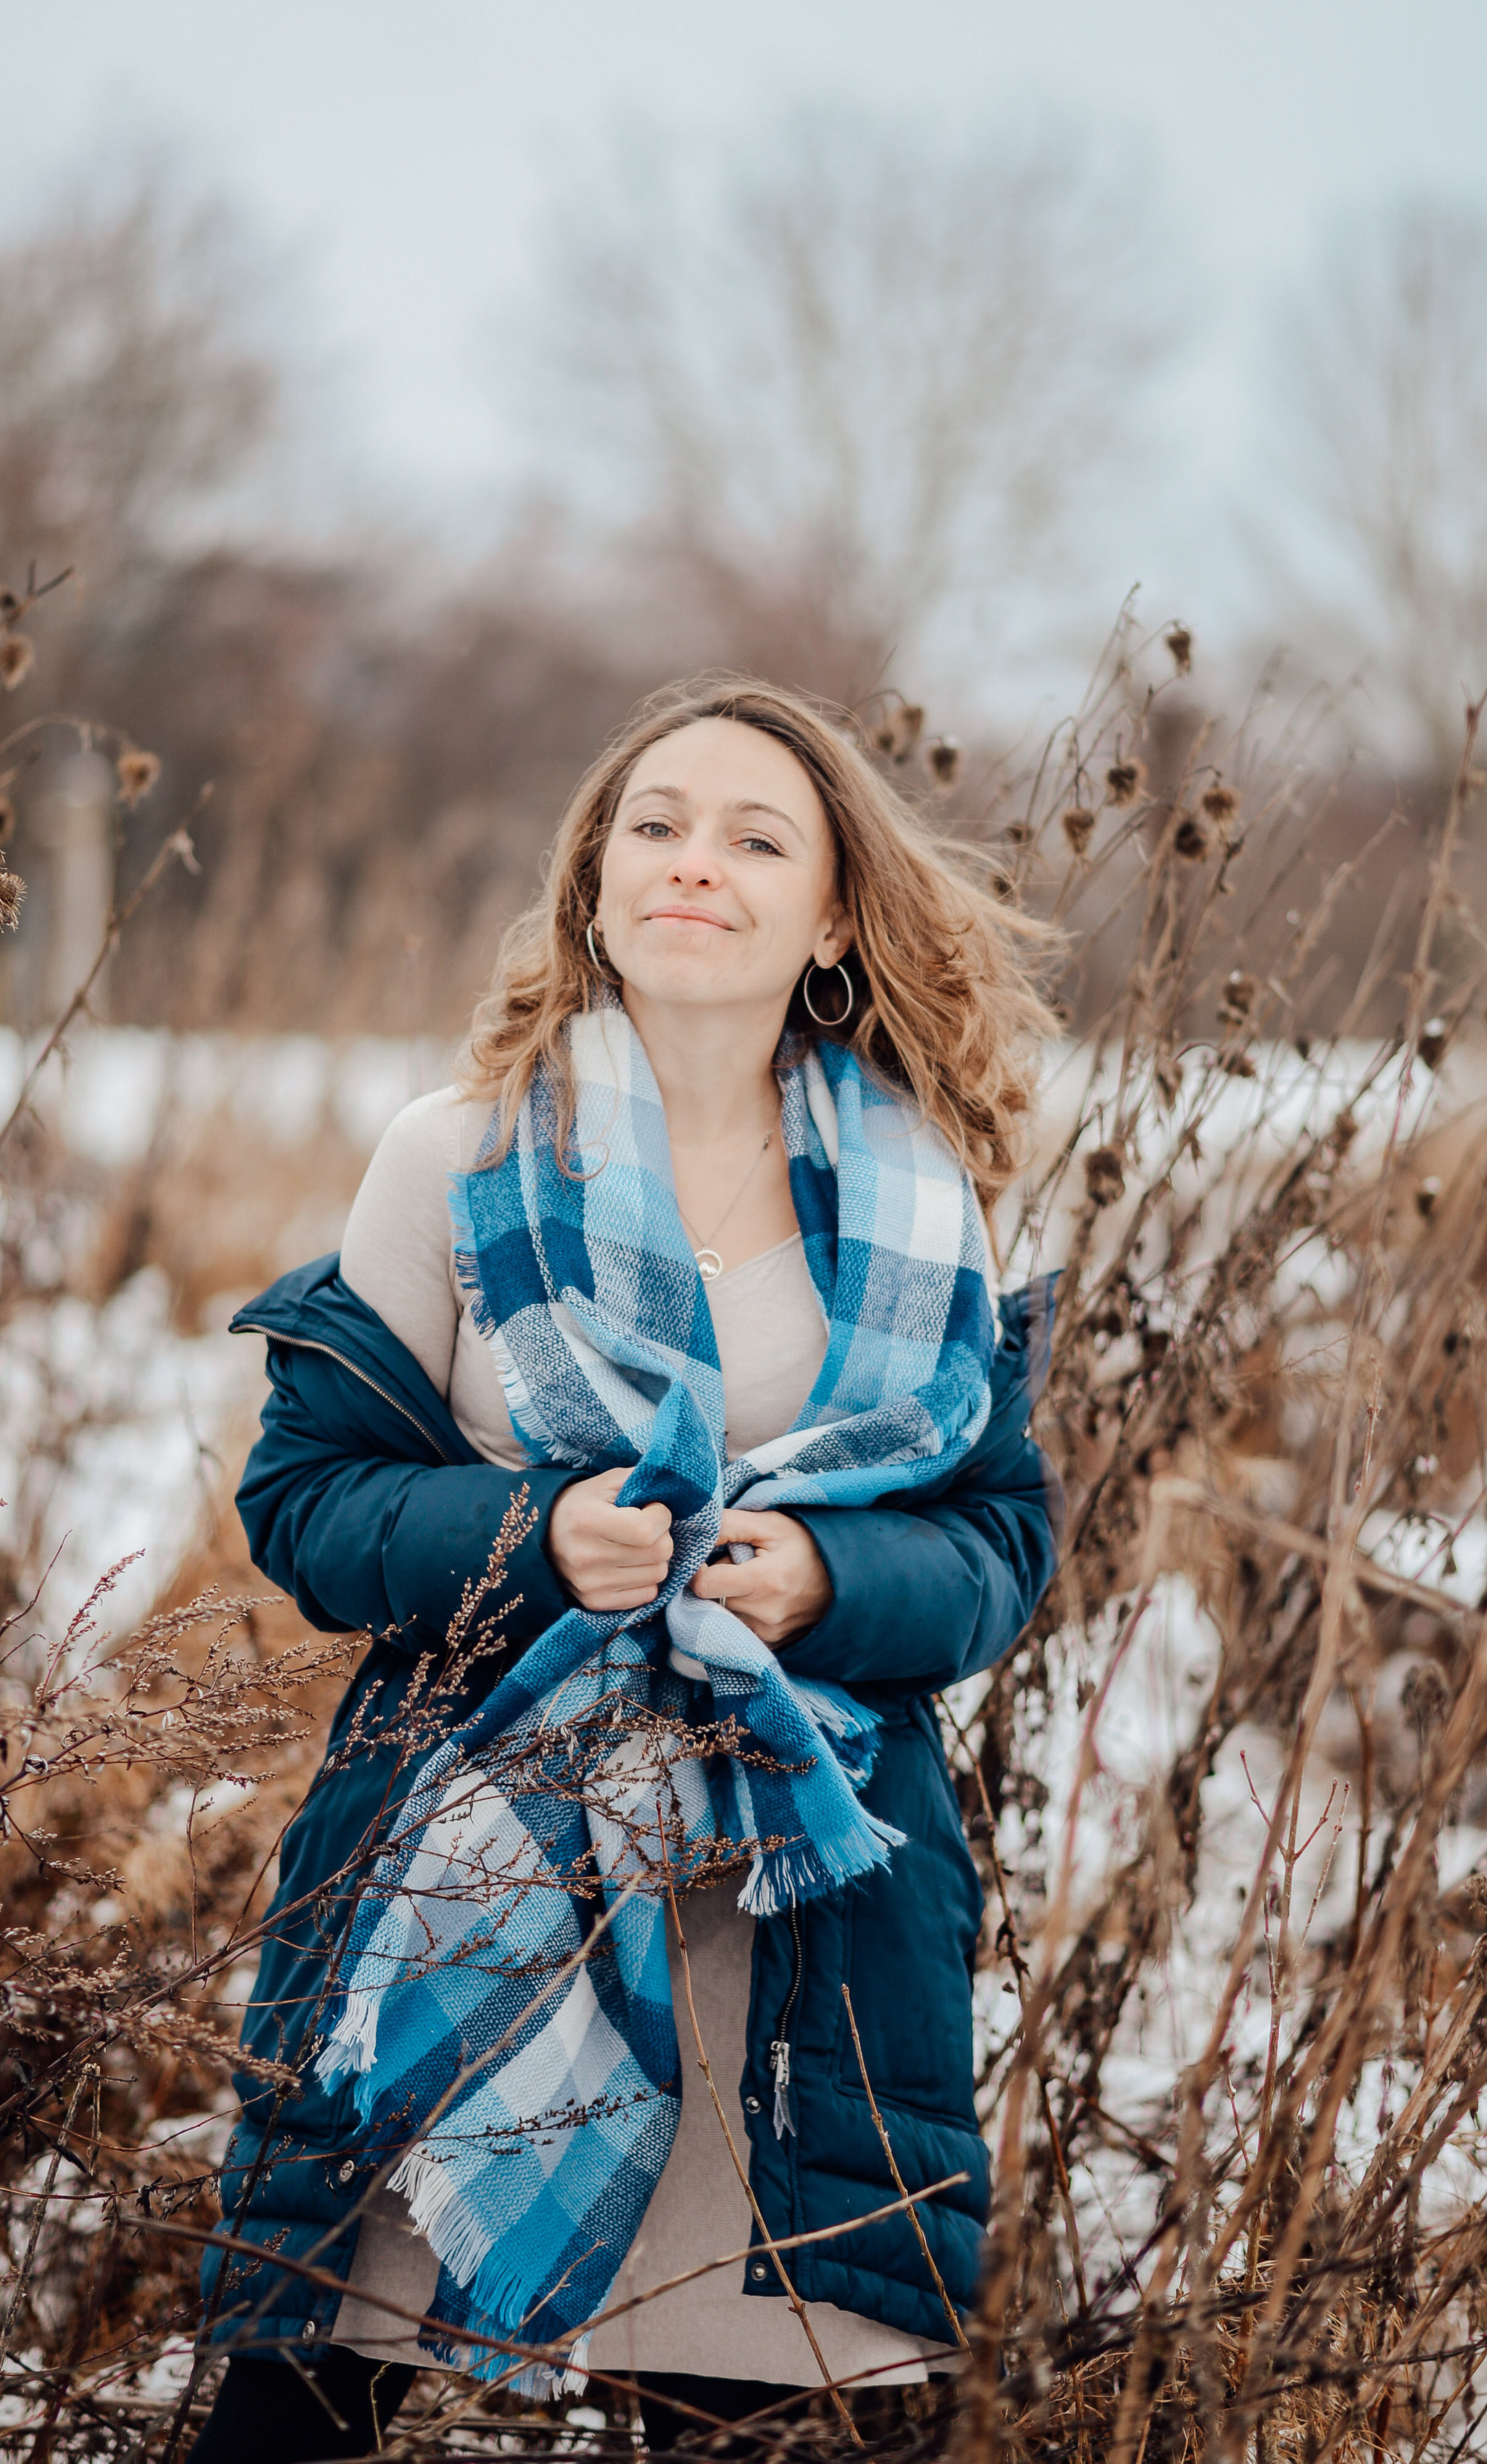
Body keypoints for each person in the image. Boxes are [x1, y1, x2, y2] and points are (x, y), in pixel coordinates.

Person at [188, 677, 1060, 2460]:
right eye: (653, 826)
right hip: (467, 1887)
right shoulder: (452, 1155)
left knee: (744, 2423)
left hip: (798, 1931)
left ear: (828, 916)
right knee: (302, 2414)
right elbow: (304, 1498)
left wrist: (823, 1584)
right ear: (591, 879)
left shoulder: (925, 1194)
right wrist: (530, 1545)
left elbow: (996, 1541)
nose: (692, 865)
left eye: (755, 839)